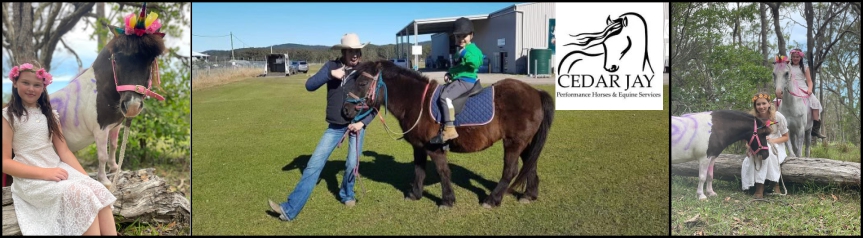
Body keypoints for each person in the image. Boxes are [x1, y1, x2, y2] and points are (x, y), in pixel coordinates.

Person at [268, 33, 377, 221]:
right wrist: (330, 75)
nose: (355, 55)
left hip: (356, 127)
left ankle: (347, 194)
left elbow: (376, 104)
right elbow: (309, 85)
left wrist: (362, 123)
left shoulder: (365, 72)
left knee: (352, 165)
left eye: (357, 51)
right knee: (313, 165)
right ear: (343, 51)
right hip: (335, 127)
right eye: (351, 51)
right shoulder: (331, 66)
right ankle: (289, 209)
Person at [2, 62, 117, 235]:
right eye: (26, 83)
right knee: (81, 195)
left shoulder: (50, 115)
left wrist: (86, 179)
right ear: (15, 82)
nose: (31, 89)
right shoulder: (8, 116)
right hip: (31, 178)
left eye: (37, 85)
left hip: (57, 168)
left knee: (97, 189)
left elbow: (64, 151)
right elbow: (5, 162)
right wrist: (45, 173)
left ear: (44, 87)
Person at [437, 17, 484, 142]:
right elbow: (459, 68)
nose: (461, 39)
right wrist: (450, 74)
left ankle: (450, 128)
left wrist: (464, 53)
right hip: (460, 79)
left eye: (464, 36)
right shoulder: (461, 50)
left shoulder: (472, 50)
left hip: (465, 82)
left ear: (471, 35)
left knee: (445, 97)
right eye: (458, 36)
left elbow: (475, 63)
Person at [741, 93, 790, 199]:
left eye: (764, 103)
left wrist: (772, 140)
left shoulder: (778, 117)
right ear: (755, 106)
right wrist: (748, 146)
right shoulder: (752, 119)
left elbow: (786, 137)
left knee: (768, 154)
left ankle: (762, 186)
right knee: (755, 155)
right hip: (758, 146)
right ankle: (767, 184)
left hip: (776, 145)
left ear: (769, 104)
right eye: (758, 104)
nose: (761, 106)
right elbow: (749, 138)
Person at [781, 48, 826, 139]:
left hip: (802, 87)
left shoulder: (805, 67)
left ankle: (815, 128)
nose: (795, 58)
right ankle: (777, 123)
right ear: (791, 57)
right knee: (776, 100)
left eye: (797, 57)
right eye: (793, 56)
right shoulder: (788, 66)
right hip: (790, 87)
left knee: (815, 102)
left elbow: (809, 81)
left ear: (800, 57)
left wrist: (809, 89)